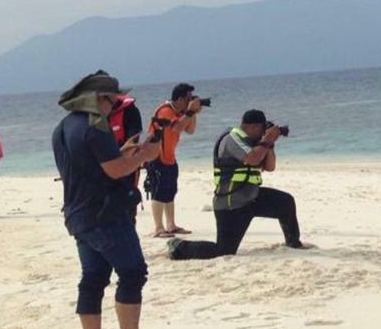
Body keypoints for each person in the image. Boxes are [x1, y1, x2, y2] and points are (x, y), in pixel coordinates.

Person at [52, 71, 173, 329]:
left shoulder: (63, 127)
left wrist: (124, 152)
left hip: (77, 214)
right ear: (99, 99)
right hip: (105, 214)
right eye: (114, 99)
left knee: (92, 279)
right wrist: (145, 154)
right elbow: (116, 171)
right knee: (133, 273)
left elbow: (91, 165)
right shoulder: (96, 126)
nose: (116, 104)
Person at [168, 110, 307, 259]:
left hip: (252, 198)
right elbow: (252, 158)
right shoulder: (232, 138)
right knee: (224, 250)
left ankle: (294, 243)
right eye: (261, 130)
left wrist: (270, 143)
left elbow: (270, 167)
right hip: (231, 204)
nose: (262, 135)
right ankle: (179, 246)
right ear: (253, 127)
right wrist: (267, 140)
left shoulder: (257, 143)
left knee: (285, 202)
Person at [144, 84, 203, 238]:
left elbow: (190, 130)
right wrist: (190, 111)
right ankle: (158, 228)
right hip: (156, 155)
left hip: (170, 156)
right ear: (180, 99)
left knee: (170, 191)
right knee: (158, 192)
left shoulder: (180, 113)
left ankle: (171, 225)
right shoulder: (165, 111)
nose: (190, 101)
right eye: (189, 99)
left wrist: (193, 113)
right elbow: (176, 128)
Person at [108, 94, 145, 221]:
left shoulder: (130, 111)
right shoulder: (95, 114)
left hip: (127, 165)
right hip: (103, 165)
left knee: (127, 204)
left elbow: (133, 142)